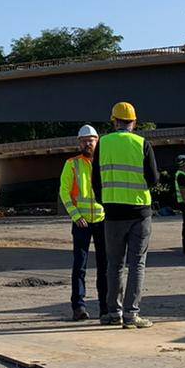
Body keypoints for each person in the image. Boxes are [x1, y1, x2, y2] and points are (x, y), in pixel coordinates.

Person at [90, 101, 160, 329]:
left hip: (112, 213)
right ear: (134, 122)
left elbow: (95, 180)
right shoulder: (142, 143)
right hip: (140, 212)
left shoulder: (103, 143)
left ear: (114, 121)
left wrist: (106, 201)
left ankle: (113, 312)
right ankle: (131, 314)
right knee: (137, 263)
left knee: (115, 264)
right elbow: (154, 178)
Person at [59, 125, 108, 321]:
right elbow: (64, 191)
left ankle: (106, 307)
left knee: (105, 266)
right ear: (79, 143)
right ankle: (78, 307)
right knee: (80, 265)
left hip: (102, 219)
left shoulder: (105, 162)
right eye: (84, 140)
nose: (88, 143)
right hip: (81, 221)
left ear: (97, 141)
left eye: (91, 140)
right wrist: (75, 215)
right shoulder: (72, 164)